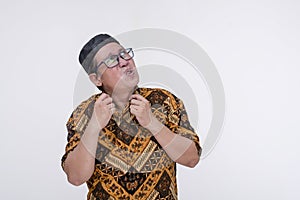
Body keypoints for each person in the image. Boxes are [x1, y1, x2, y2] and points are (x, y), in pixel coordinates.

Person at [61, 34, 202, 200]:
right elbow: (76, 177)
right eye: (112, 60)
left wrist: (152, 123)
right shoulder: (83, 114)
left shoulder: (165, 102)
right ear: (96, 79)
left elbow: (191, 159)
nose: (124, 61)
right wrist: (93, 127)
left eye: (124, 53)